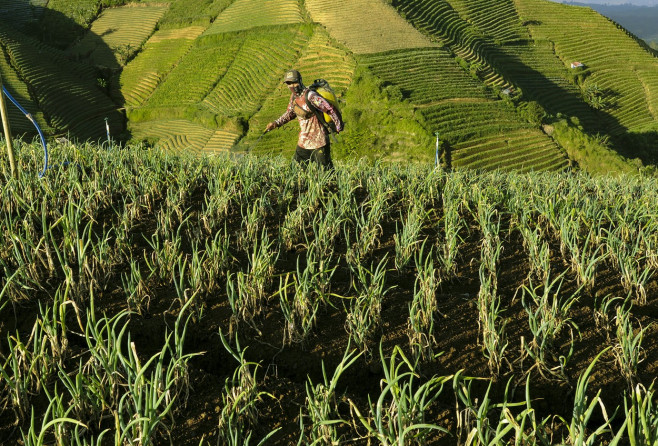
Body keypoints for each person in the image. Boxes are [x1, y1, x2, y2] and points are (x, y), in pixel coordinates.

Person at [266, 70, 343, 169]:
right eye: (289, 83)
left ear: (300, 81)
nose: (292, 86)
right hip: (303, 142)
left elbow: (329, 109)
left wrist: (338, 126)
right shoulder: (294, 97)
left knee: (326, 174)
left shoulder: (311, 96)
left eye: (294, 82)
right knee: (295, 171)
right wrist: (276, 123)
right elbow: (290, 113)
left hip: (319, 142)